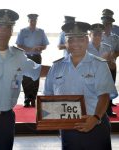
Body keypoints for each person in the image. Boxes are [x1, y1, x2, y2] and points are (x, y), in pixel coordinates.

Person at [0, 9, 49, 150]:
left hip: (6, 119)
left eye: (8, 27)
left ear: (12, 30)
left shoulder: (18, 56)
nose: (3, 31)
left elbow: (37, 70)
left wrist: (63, 67)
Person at [44, 21, 118, 150]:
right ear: (66, 42)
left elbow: (104, 96)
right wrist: (50, 117)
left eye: (80, 39)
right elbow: (49, 96)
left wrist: (95, 118)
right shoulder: (56, 67)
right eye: (71, 40)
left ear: (86, 40)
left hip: (96, 124)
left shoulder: (99, 64)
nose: (75, 44)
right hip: (68, 128)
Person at [16, 14, 49, 107]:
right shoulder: (22, 31)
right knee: (25, 78)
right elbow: (18, 45)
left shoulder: (41, 32)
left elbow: (45, 45)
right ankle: (27, 98)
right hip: (25, 57)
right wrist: (30, 49)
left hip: (37, 57)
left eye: (34, 21)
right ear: (28, 21)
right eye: (31, 21)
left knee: (36, 78)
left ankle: (33, 98)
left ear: (36, 21)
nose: (33, 22)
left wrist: (40, 47)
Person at [101, 9, 119, 117]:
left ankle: (108, 110)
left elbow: (118, 50)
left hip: (112, 65)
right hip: (101, 66)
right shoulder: (98, 36)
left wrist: (113, 55)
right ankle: (101, 109)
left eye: (108, 24)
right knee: (102, 88)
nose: (106, 25)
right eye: (105, 24)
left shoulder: (116, 38)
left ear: (111, 25)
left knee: (110, 87)